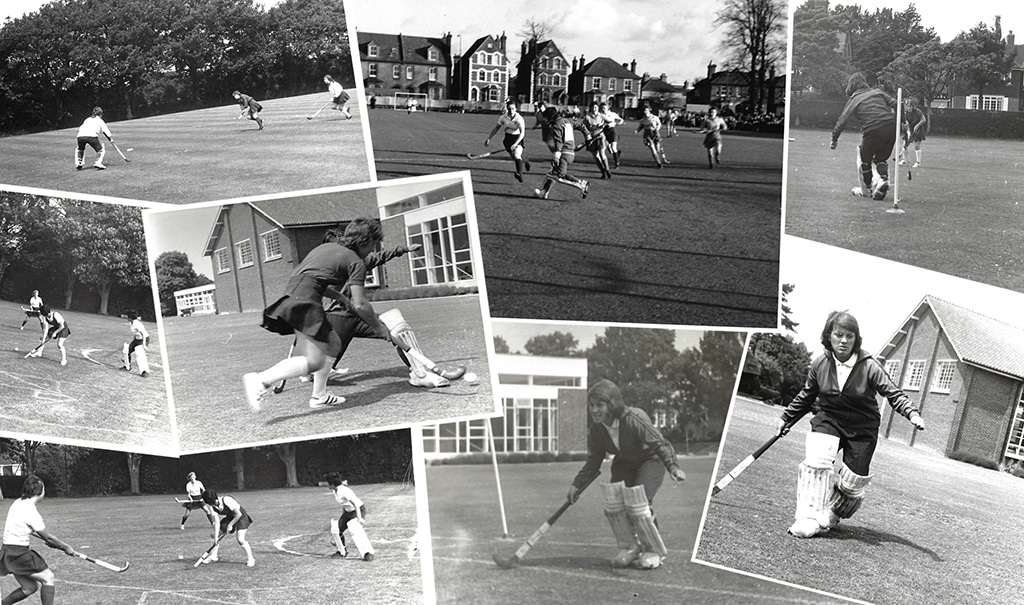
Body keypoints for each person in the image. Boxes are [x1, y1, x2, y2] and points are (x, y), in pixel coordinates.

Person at [775, 310, 925, 539]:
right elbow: (806, 396)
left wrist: (912, 413)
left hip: (862, 427)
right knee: (816, 461)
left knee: (851, 486)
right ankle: (806, 518)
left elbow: (893, 392)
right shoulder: (820, 364)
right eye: (838, 334)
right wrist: (786, 418)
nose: (843, 340)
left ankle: (831, 514)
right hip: (830, 419)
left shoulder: (869, 366)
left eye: (849, 336)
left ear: (856, 339)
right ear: (829, 336)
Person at [242, 218, 393, 411]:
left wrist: (339, 296)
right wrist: (378, 327)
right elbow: (361, 304)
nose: (372, 251)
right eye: (372, 245)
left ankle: (319, 396)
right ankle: (260, 380)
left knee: (334, 344)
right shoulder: (356, 262)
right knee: (315, 361)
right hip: (306, 302)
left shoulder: (326, 248)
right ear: (364, 241)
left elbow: (311, 278)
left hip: (294, 296)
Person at [567, 379, 686, 570]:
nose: (594, 410)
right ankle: (631, 547)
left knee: (640, 503)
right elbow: (594, 461)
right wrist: (577, 484)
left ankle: (653, 550)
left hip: (650, 460)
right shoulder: (597, 429)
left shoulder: (634, 418)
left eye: (600, 405)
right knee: (614, 503)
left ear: (612, 404)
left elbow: (659, 443)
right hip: (625, 462)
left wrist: (672, 466)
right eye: (591, 405)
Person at [0, 475, 78, 605]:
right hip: (18, 553)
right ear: (40, 492)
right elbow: (47, 537)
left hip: (8, 551)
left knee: (29, 587)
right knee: (48, 578)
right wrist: (65, 547)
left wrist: (54, 544)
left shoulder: (18, 502)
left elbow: (29, 529)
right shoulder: (30, 510)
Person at [830, 72, 898, 201]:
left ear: (852, 85)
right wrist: (903, 121)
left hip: (873, 130)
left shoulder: (854, 99)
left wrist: (834, 139)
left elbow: (842, 120)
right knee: (880, 159)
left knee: (864, 160)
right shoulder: (878, 92)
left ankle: (869, 188)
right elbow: (896, 103)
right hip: (891, 127)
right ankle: (881, 184)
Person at [533, 106, 589, 200]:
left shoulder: (555, 126)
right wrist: (588, 135)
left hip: (564, 153)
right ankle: (544, 192)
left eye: (546, 117)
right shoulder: (567, 121)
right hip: (570, 153)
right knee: (552, 173)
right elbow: (581, 126)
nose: (545, 120)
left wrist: (556, 156)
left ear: (550, 117)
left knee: (559, 176)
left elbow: (559, 142)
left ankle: (581, 184)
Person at [325, 472, 374, 561]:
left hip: (358, 510)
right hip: (348, 512)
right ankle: (342, 552)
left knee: (355, 531)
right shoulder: (335, 490)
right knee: (337, 531)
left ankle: (368, 553)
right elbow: (345, 505)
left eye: (328, 483)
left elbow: (355, 504)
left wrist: (359, 517)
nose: (327, 485)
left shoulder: (344, 491)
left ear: (333, 484)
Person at [200, 490, 254, 567]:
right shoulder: (211, 506)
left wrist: (230, 525)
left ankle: (251, 559)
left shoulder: (227, 500)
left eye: (212, 503)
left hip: (241, 516)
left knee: (240, 539)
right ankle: (213, 556)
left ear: (215, 499)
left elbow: (238, 514)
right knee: (213, 535)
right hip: (230, 517)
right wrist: (216, 538)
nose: (211, 505)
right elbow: (217, 522)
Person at [485, 98, 532, 182]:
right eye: (509, 108)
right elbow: (496, 128)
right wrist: (489, 138)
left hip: (518, 138)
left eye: (513, 108)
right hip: (507, 139)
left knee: (517, 155)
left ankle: (519, 174)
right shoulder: (503, 117)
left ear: (516, 109)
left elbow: (522, 134)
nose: (511, 110)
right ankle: (526, 160)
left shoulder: (519, 119)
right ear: (507, 108)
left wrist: (515, 144)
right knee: (515, 157)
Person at [577, 101, 612, 179]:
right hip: (591, 138)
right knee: (596, 156)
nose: (594, 109)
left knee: (602, 153)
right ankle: (603, 172)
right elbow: (583, 127)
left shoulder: (601, 116)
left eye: (595, 107)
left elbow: (610, 121)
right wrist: (587, 135)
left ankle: (607, 170)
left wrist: (603, 125)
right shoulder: (587, 117)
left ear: (598, 108)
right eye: (592, 107)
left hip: (600, 136)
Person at [121, 310, 150, 378]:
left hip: (144, 339)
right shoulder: (131, 323)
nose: (127, 318)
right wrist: (134, 342)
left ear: (130, 318)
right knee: (126, 351)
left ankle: (144, 371)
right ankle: (127, 367)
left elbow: (143, 334)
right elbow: (136, 333)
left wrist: (144, 345)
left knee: (139, 354)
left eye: (128, 317)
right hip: (136, 340)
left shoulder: (137, 324)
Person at [899, 98, 926, 168]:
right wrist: (908, 132)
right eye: (907, 106)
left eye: (910, 106)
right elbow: (906, 124)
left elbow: (923, 119)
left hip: (919, 130)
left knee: (916, 145)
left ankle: (918, 162)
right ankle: (904, 160)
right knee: (904, 145)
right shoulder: (905, 114)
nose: (909, 107)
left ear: (913, 106)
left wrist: (917, 125)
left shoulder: (917, 111)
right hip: (910, 130)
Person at [599, 103, 624, 168]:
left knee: (613, 147)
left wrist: (616, 124)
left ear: (608, 108)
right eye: (602, 108)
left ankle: (617, 163)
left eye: (604, 108)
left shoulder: (612, 114)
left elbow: (621, 120)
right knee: (610, 150)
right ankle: (617, 153)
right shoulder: (600, 115)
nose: (603, 109)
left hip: (612, 131)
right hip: (604, 132)